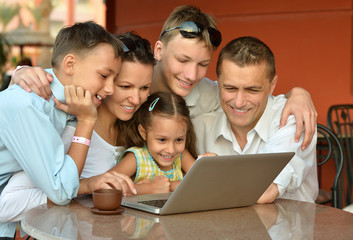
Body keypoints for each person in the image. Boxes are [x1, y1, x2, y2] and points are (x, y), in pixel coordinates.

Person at [12, 5, 317, 151]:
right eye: (183, 60)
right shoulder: (119, 74)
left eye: (202, 65)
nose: (191, 75)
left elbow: (249, 96)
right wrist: (20, 73)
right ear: (159, 49)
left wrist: (298, 94)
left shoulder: (205, 93)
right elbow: (76, 72)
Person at [0, 32, 153, 232]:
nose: (135, 98)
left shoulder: (140, 126)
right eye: (123, 85)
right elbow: (11, 202)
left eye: (145, 88)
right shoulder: (66, 126)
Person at [193, 36, 318, 204]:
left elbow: (263, 190)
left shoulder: (294, 118)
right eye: (230, 88)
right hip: (223, 228)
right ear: (218, 83)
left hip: (286, 228)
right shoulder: (200, 125)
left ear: (272, 85)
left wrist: (217, 173)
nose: (239, 102)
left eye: (252, 90)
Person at [111, 92, 197, 194]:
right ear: (143, 133)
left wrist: (171, 186)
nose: (171, 150)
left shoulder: (181, 156)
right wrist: (146, 189)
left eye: (179, 140)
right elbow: (107, 185)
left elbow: (203, 180)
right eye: (162, 140)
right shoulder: (137, 158)